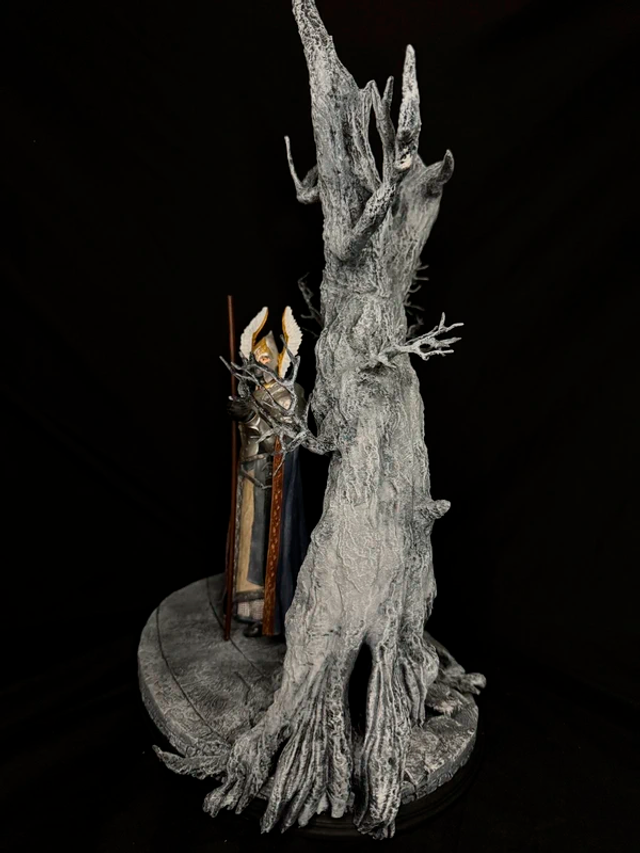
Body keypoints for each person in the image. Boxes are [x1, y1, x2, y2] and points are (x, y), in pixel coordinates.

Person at [227, 307, 309, 637]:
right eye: (257, 359)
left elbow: (286, 434)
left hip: (271, 478)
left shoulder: (290, 392)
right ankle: (246, 608)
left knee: (265, 545)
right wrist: (244, 415)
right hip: (249, 474)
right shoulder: (252, 392)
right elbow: (248, 435)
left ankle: (269, 612)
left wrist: (251, 417)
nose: (261, 365)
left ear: (278, 361)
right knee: (247, 539)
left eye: (266, 359)